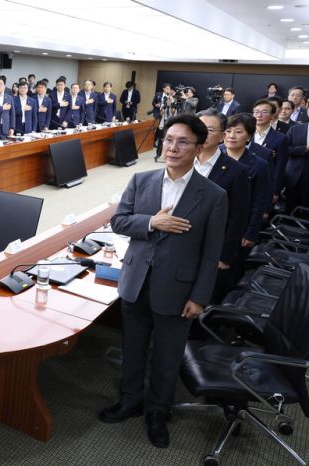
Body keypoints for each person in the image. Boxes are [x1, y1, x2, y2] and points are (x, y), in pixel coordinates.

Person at [99, 113, 227, 449]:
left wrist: (199, 297)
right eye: (169, 139)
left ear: (198, 148)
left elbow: (211, 252)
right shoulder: (142, 180)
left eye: (182, 141)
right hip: (136, 282)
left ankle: (158, 411)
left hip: (178, 289)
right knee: (133, 349)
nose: (172, 147)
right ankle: (130, 401)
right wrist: (152, 222)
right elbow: (119, 221)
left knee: (167, 357)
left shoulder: (213, 195)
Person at [196, 110, 251, 301]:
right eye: (198, 128)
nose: (201, 133)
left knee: (203, 295)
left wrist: (226, 254)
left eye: (209, 130)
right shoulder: (181, 160)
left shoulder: (236, 171)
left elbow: (238, 216)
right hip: (180, 242)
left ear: (222, 135)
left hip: (212, 245)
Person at [220, 113, 271, 281]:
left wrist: (251, 233)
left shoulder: (258, 165)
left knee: (229, 270)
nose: (231, 136)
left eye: (238, 132)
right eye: (228, 131)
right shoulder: (214, 155)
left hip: (239, 225)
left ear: (249, 136)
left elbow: (259, 202)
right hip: (214, 220)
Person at [252, 99, 289, 204]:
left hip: (265, 183)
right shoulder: (245, 134)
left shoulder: (281, 138)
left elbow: (280, 167)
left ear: (273, 116)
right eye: (256, 112)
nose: (259, 115)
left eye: (264, 112)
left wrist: (275, 191)